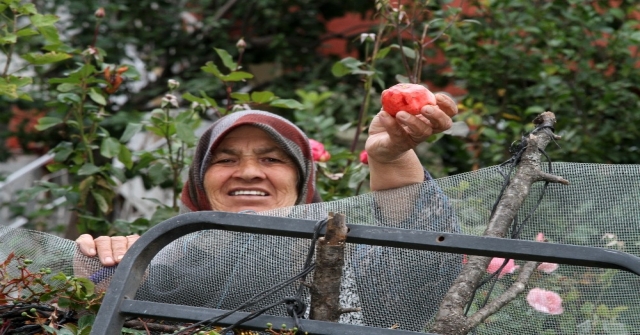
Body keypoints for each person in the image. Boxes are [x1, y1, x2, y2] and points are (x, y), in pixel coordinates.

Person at [76, 94, 458, 267]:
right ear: (198, 184)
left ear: (303, 183)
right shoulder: (158, 266)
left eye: (271, 159)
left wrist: (389, 156)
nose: (247, 172)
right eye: (225, 159)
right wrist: (105, 264)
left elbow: (429, 264)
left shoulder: (348, 270)